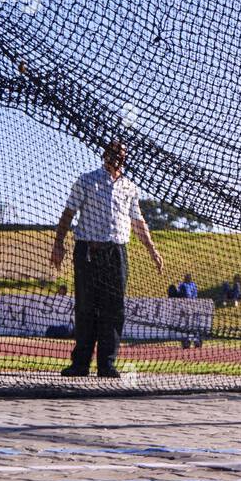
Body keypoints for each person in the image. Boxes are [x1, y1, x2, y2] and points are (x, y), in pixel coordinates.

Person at [50, 140, 164, 377]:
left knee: (114, 309)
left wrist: (152, 249)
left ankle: (107, 364)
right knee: (86, 307)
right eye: (113, 153)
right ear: (104, 155)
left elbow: (138, 221)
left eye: (122, 155)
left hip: (117, 252)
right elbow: (68, 213)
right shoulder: (87, 181)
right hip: (89, 250)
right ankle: (80, 363)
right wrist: (58, 243)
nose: (117, 158)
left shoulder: (129, 187)